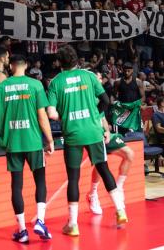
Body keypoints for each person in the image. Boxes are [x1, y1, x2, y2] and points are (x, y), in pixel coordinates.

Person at [46, 45, 127, 236]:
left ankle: (73, 224)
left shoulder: (56, 82)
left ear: (59, 63)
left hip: (73, 133)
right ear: (76, 60)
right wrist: (94, 115)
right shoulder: (89, 76)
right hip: (93, 131)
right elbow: (106, 101)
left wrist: (65, 117)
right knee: (103, 169)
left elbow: (51, 113)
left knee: (73, 178)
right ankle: (120, 211)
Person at [0, 55, 55, 243]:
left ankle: (22, 231)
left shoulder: (2, 86)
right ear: (26, 65)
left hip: (13, 143)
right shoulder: (35, 85)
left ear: (11, 66)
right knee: (40, 180)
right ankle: (40, 221)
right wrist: (50, 140)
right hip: (33, 142)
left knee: (16, 185)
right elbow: (42, 116)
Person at [88, 71, 135, 215]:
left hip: (104, 134)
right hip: (92, 135)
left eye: (100, 78)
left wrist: (107, 131)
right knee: (101, 164)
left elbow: (102, 118)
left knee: (129, 154)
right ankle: (93, 194)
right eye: (97, 77)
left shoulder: (99, 96)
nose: (100, 80)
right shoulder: (86, 95)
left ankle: (119, 187)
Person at [110, 62, 145, 133]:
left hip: (133, 109)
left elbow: (143, 97)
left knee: (133, 130)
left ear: (132, 70)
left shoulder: (138, 82)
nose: (126, 73)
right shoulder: (118, 82)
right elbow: (113, 95)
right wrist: (112, 103)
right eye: (125, 71)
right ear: (122, 70)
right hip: (122, 109)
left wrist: (139, 104)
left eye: (128, 71)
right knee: (119, 129)